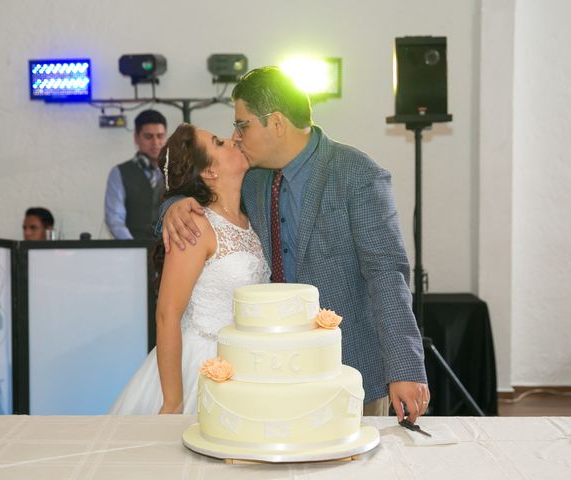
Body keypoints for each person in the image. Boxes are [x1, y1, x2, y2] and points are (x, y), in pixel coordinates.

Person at [161, 66, 430, 423]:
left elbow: (387, 276)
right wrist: (172, 208)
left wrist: (404, 366)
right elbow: (207, 204)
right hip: (270, 372)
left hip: (348, 367)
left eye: (242, 125)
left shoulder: (357, 174)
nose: (236, 136)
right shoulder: (253, 180)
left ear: (275, 123)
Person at [109, 123, 270, 415]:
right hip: (201, 361)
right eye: (219, 143)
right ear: (209, 171)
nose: (234, 140)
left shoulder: (251, 217)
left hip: (247, 360)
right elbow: (167, 312)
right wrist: (173, 401)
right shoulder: (194, 223)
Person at [104, 109, 168, 240]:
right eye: (148, 136)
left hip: (172, 253)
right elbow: (114, 219)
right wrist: (135, 248)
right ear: (136, 138)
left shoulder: (177, 172)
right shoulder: (119, 173)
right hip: (133, 252)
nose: (155, 142)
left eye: (160, 136)